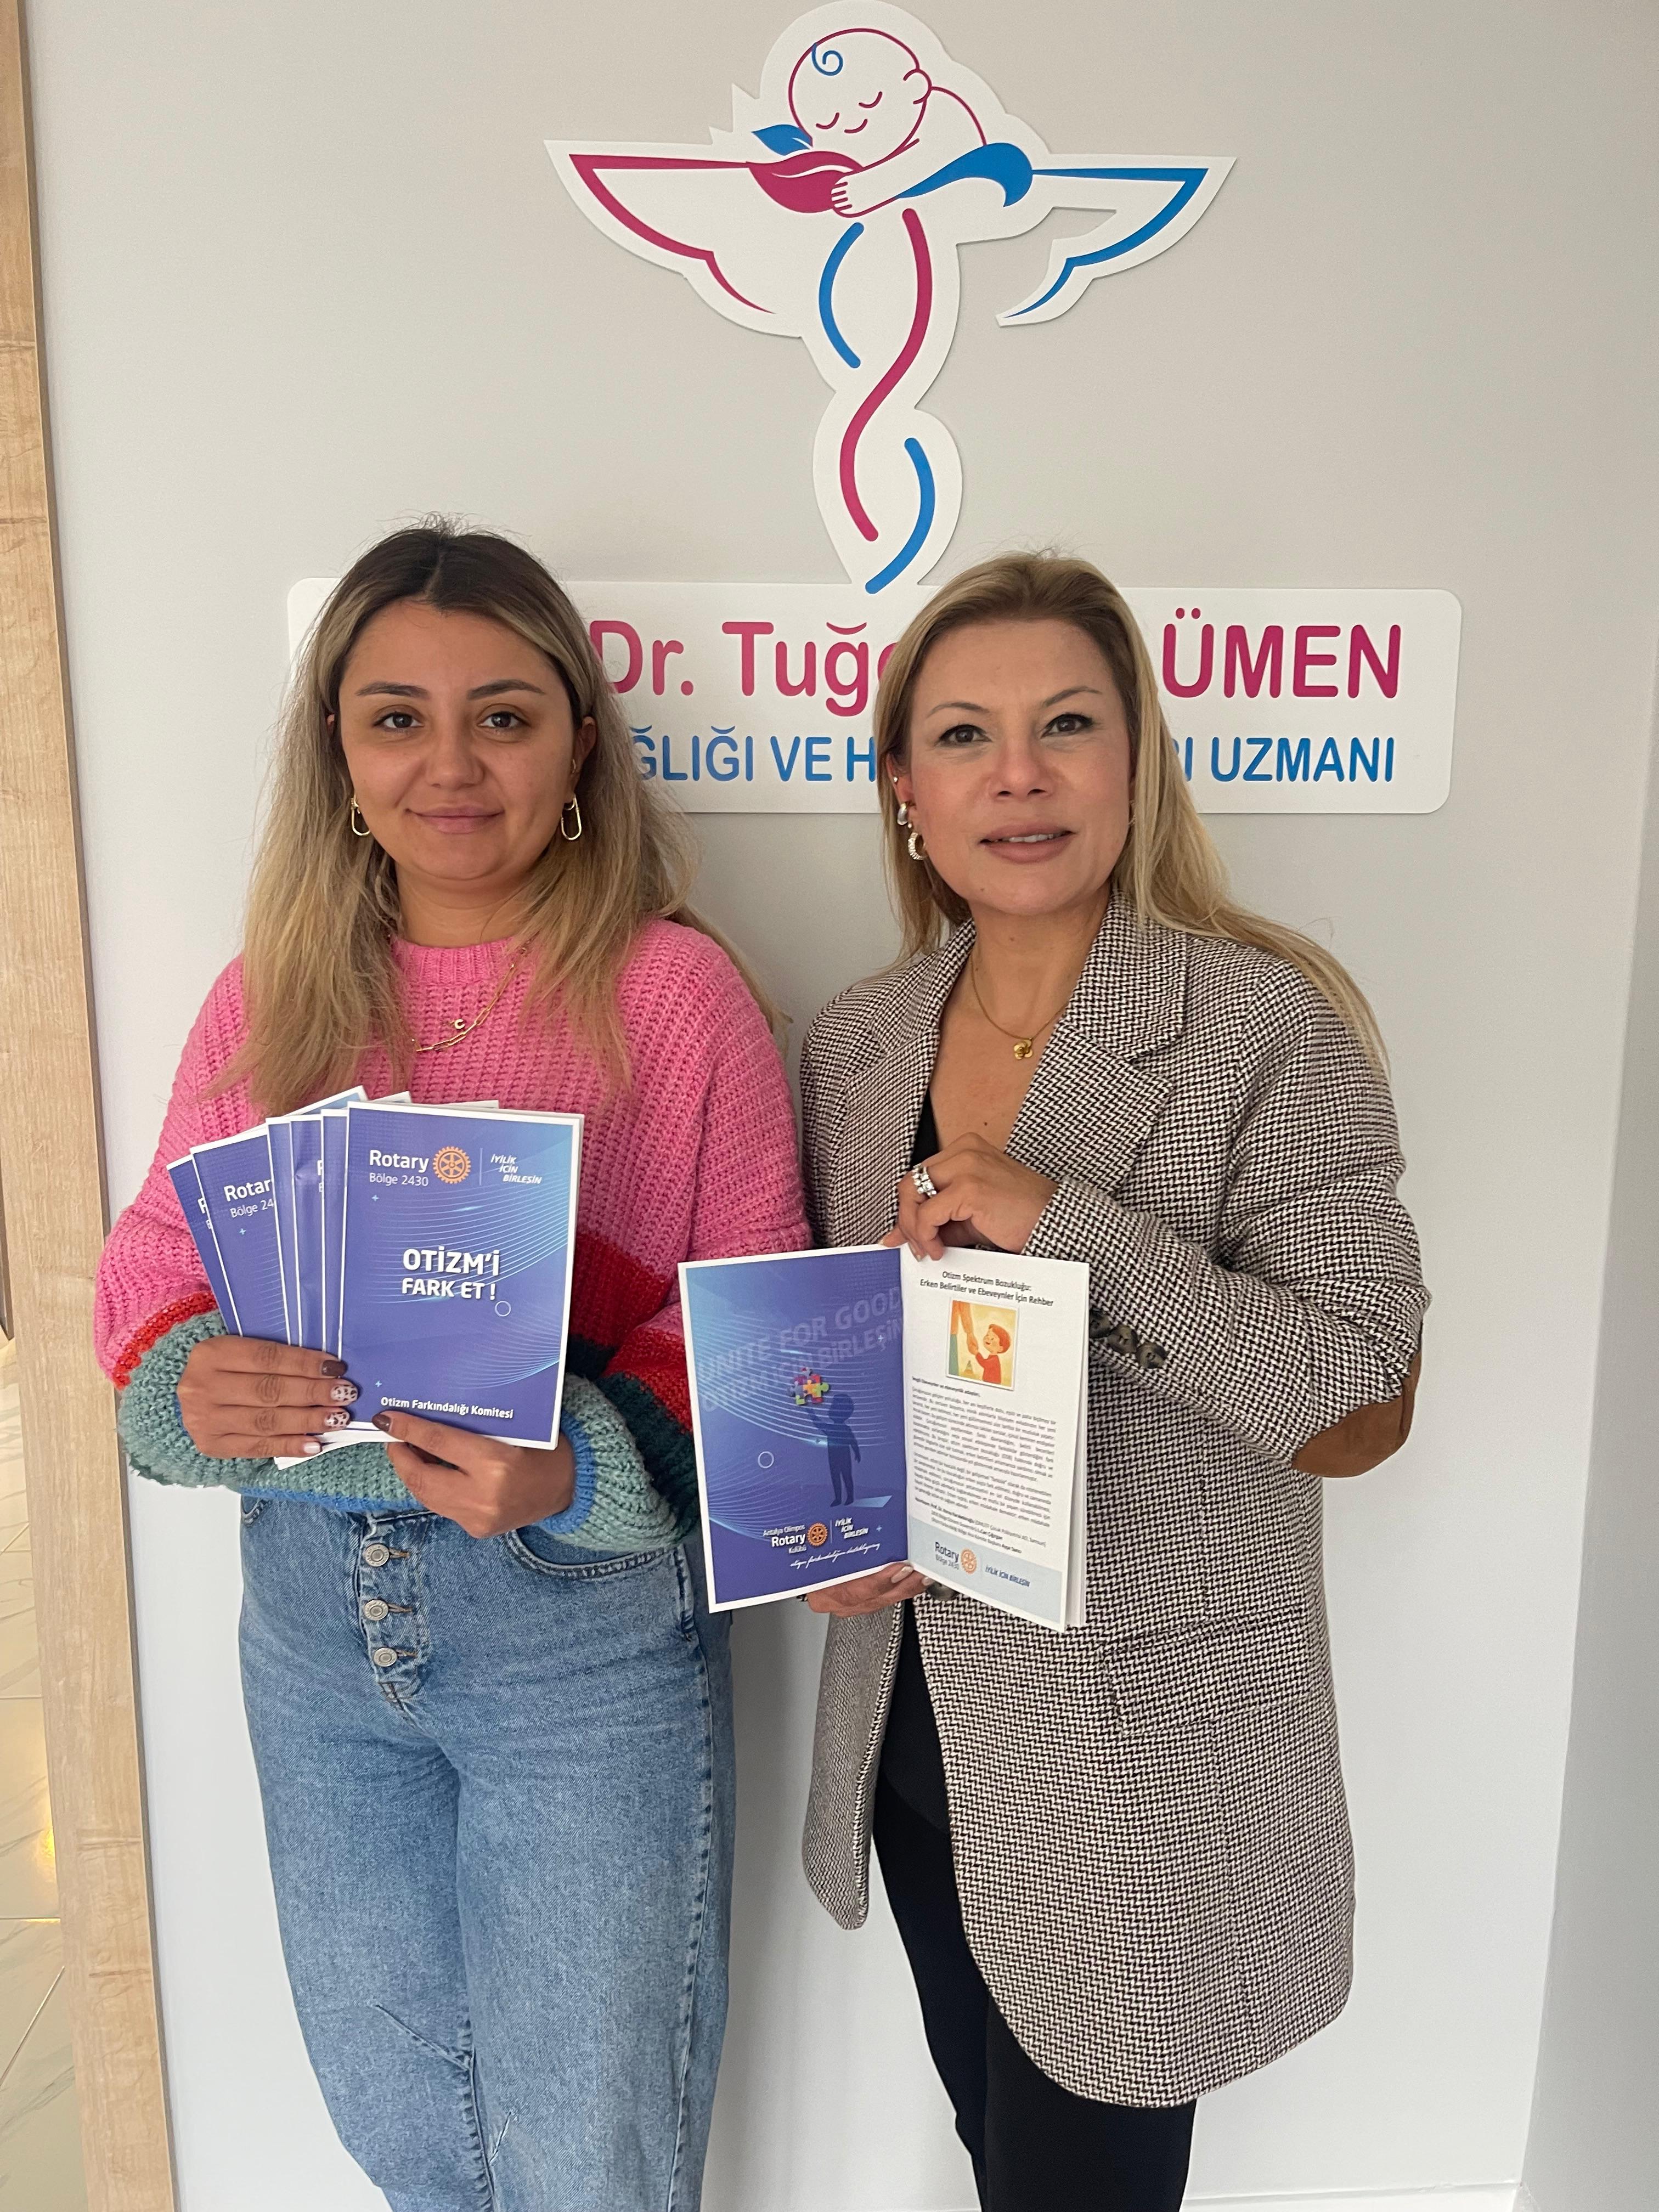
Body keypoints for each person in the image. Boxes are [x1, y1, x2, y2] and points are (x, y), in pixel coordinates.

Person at [94, 523, 808, 2212]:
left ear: (578, 744)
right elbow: (151, 1270)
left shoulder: (675, 993)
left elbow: (764, 1333)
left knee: (588, 2162)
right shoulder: (270, 998)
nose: (452, 764)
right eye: (396, 718)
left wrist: (585, 1470)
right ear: (339, 759)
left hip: (574, 1634)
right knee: (408, 2140)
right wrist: (185, 1388)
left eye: (503, 714)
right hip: (310, 1631)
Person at [797, 554, 1426, 2211]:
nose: (1019, 775)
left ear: (1136, 761)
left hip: (1140, 1754)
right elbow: (837, 1357)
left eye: (1067, 725)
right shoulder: (854, 1043)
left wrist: (1074, 1232)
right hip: (915, 1728)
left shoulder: (1263, 1024)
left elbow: (1366, 1400)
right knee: (1000, 2160)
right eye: (965, 736)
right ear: (905, 787)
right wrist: (823, 1531)